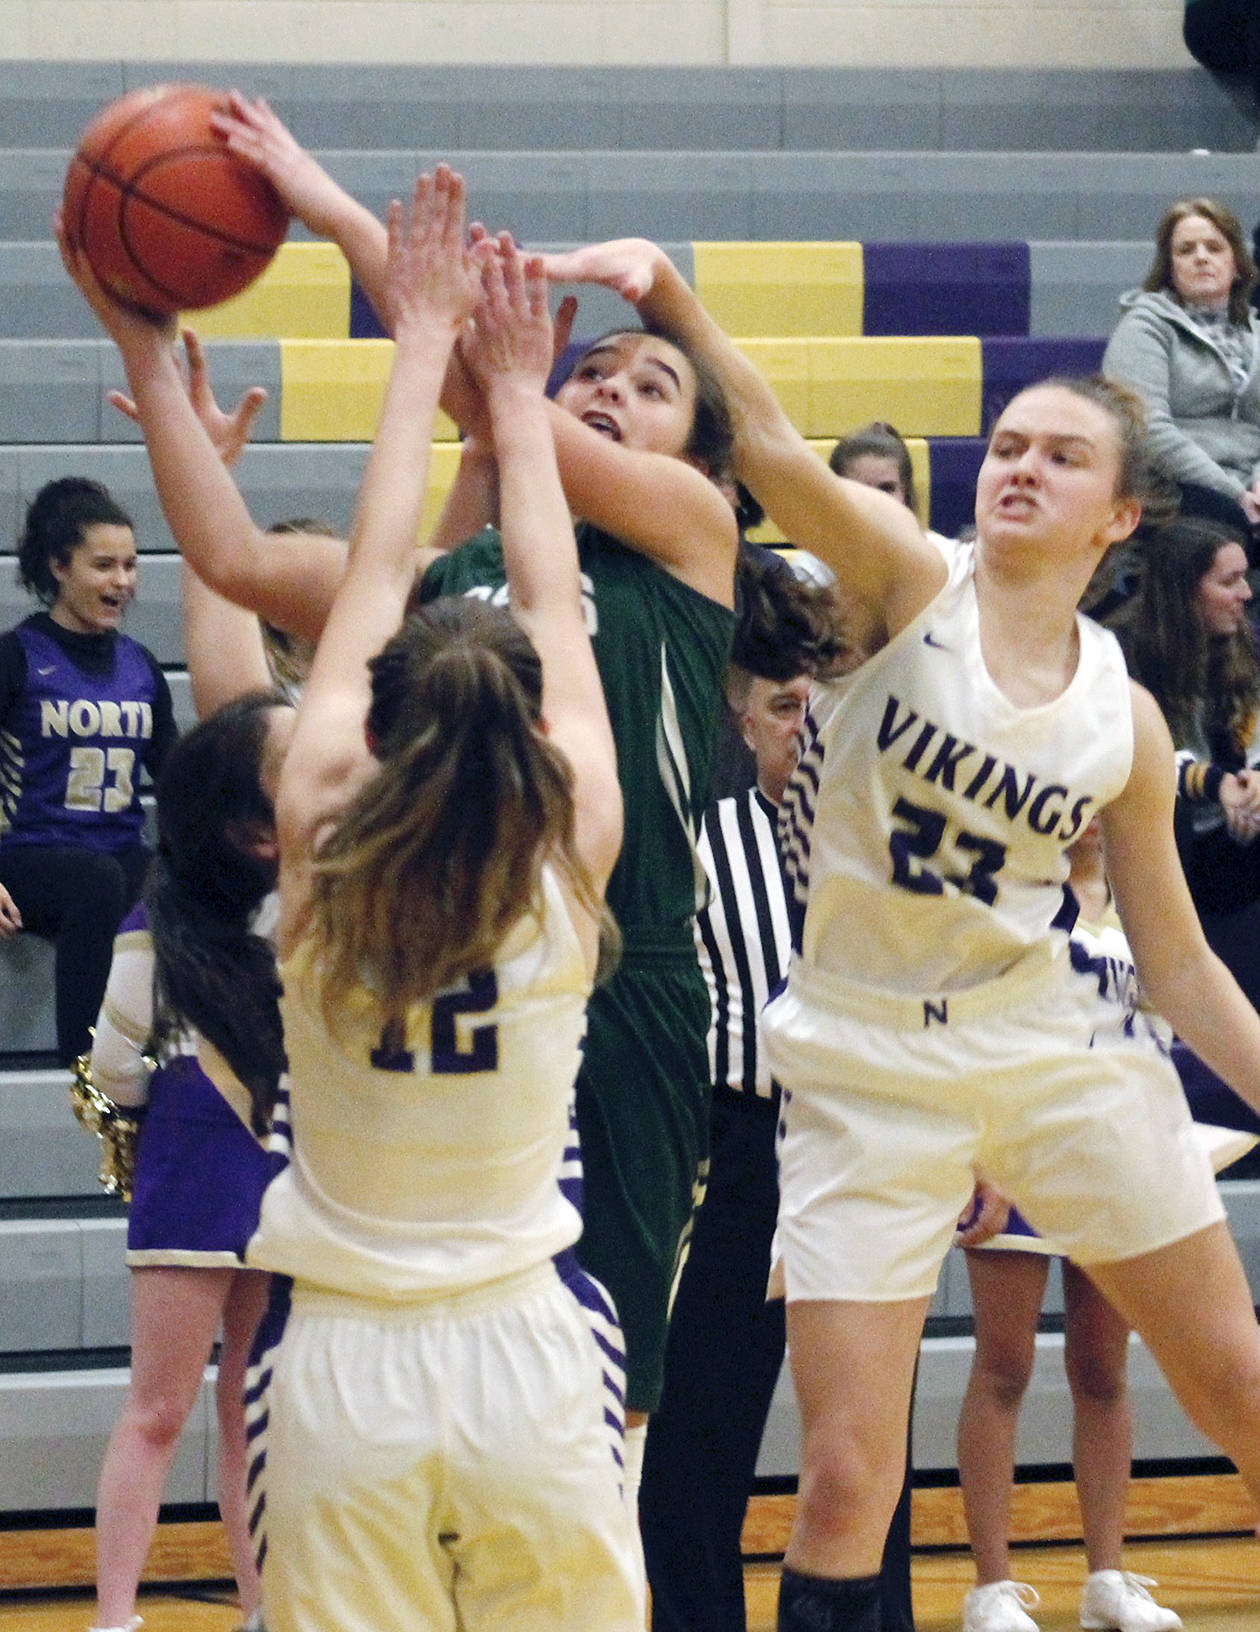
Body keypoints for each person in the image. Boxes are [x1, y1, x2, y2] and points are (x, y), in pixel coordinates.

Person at [537, 236, 1260, 1632]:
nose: (1019, 468)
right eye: (1006, 445)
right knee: (843, 1480)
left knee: (1234, 1379)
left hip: (1048, 1037)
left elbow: (1178, 966)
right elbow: (772, 452)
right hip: (863, 1060)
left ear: (1119, 516)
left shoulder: (1127, 709)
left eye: (1059, 456)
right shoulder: (907, 580)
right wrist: (671, 299)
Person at [70, 95, 739, 1502]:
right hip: (430, 948)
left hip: (625, 981)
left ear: (692, 455)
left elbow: (484, 391)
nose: (608, 388)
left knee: (605, 1380)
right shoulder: (452, 584)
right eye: (591, 371)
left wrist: (320, 203)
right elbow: (245, 560)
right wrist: (163, 387)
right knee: (398, 1339)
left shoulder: (689, 538)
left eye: (650, 385)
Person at [233, 171, 642, 1631]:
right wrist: (514, 392)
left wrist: (420, 343)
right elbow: (548, 591)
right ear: (530, 725)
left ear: (371, 721)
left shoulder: (318, 841)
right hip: (527, 1349)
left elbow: (381, 564)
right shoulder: (569, 846)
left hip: (342, 1364)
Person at [85, 689, 291, 1632]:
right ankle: (116, 1617)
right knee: (159, 1409)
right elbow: (113, 1074)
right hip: (189, 1186)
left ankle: (262, 1608)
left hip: (280, 1184)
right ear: (241, 825)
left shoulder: (302, 918)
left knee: (254, 1412)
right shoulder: (152, 930)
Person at [955, 822, 1184, 1632]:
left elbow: (1162, 1032)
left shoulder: (1140, 905)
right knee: (1004, 1367)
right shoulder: (1011, 900)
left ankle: (1107, 1577)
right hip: (1020, 1155)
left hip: (1111, 1157)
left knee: (1104, 1371)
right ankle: (991, 1584)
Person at [0, 477, 177, 1063]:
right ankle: (86, 1066)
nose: (122, 581)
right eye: (103, 566)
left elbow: (179, 781)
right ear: (58, 567)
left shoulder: (141, 666)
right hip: (27, 853)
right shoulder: (17, 656)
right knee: (96, 881)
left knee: (172, 881)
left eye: (130, 565)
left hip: (115, 851)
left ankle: (181, 1060)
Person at [1108, 513, 1260, 1013]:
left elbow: (1253, 734)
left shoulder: (1242, 643)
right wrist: (1217, 786)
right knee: (1170, 812)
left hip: (1231, 833)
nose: (1246, 594)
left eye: (1244, 577)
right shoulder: (1121, 653)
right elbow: (1136, 762)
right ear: (1185, 590)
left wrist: (1252, 783)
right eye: (1229, 581)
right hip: (1162, 843)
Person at [1102, 197, 1260, 533]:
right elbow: (1147, 430)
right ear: (1170, 269)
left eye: (1214, 248)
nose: (1201, 257)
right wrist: (1234, 494)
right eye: (1186, 250)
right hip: (1174, 487)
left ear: (1236, 264)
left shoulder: (1256, 333)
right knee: (1223, 523)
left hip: (1249, 485)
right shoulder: (1144, 326)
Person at [828, 421, 956, 558]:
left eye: (887, 488)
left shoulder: (945, 557)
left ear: (906, 492)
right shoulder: (816, 564)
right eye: (860, 490)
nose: (876, 501)